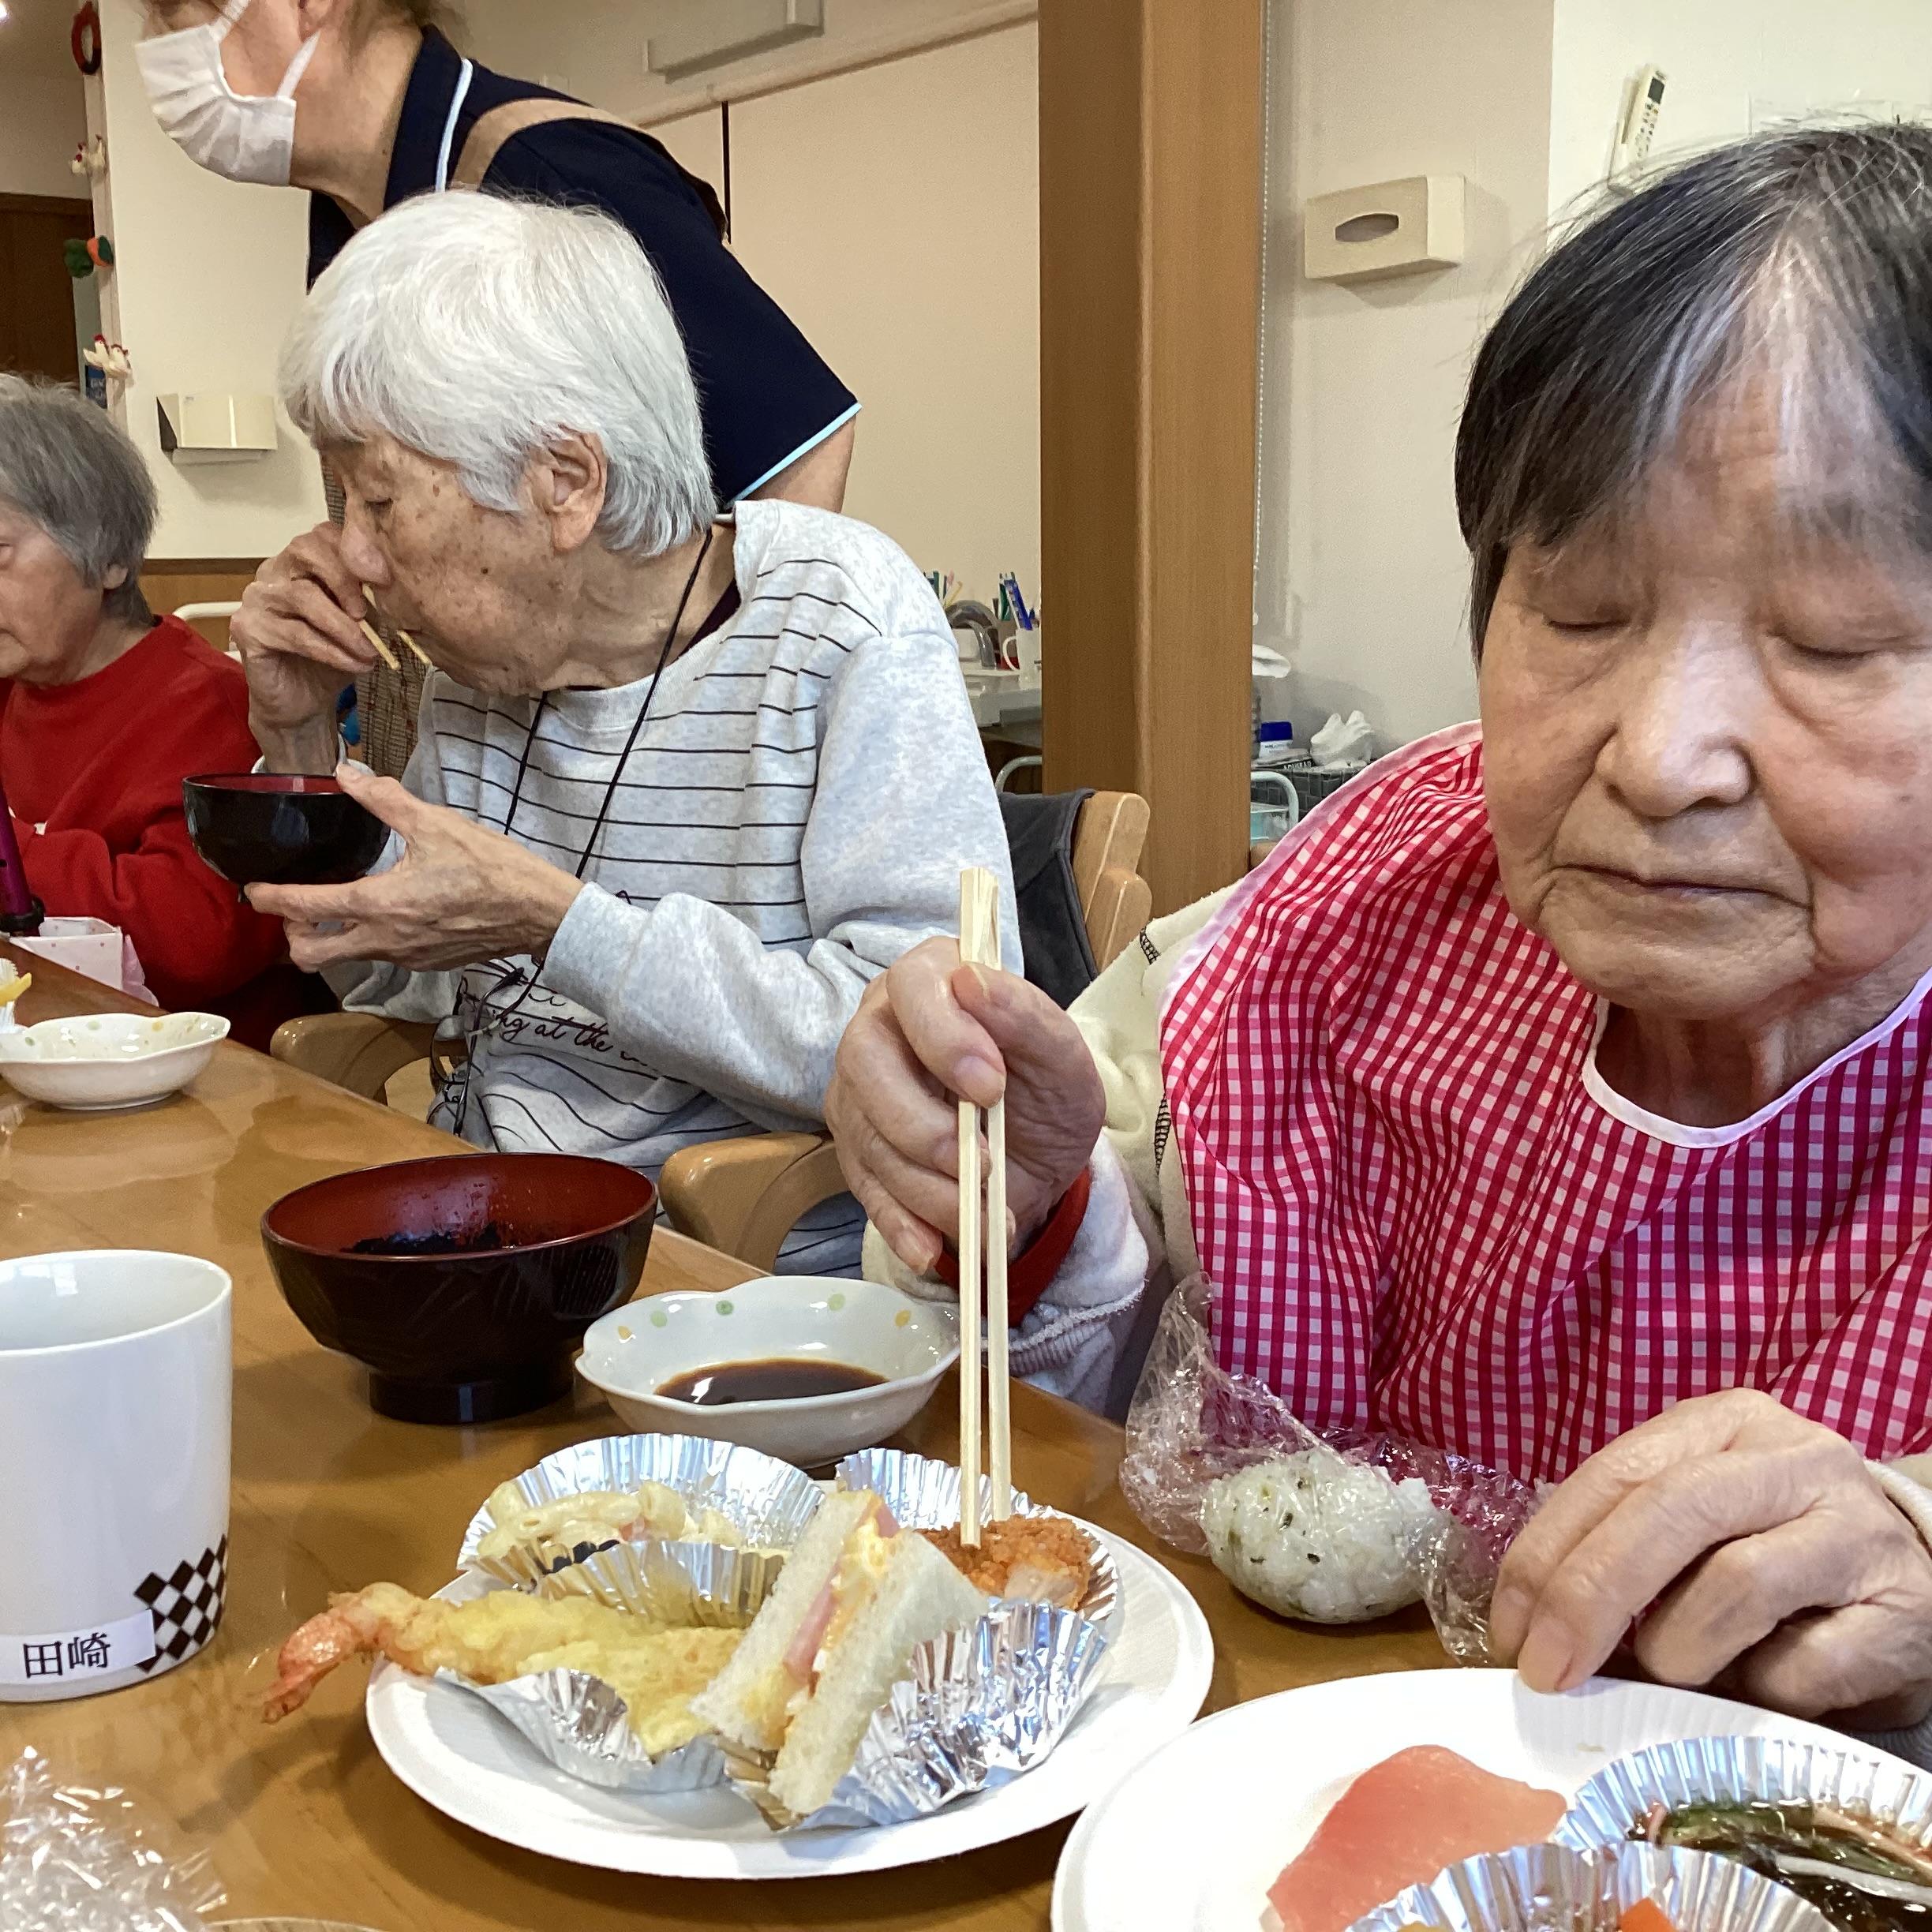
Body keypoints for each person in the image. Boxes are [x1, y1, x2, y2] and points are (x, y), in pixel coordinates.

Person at [826, 125, 1932, 1738]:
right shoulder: (1344, 922)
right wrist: (1032, 1199)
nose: (1657, 757)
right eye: (1579, 610)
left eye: (1828, 640)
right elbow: (1072, 1449)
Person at [234, 192, 1014, 1275]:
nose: (351, 555)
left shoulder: (838, 619)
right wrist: (297, 737)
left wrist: (562, 925)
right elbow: (398, 983)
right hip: (487, 1228)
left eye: (377, 502)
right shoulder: (488, 666)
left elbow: (936, 1056)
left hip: (739, 1268)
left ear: (563, 483)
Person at [137, 0, 859, 774]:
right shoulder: (349, 233)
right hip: (471, 734)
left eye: (172, 12)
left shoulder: (552, 173)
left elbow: (802, 446)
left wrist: (681, 768)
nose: (157, 49)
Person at [0, 376, 310, 1046]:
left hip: (197, 1074)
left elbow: (197, 941)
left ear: (111, 558)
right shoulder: (11, 685)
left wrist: (14, 859)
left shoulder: (209, 704)